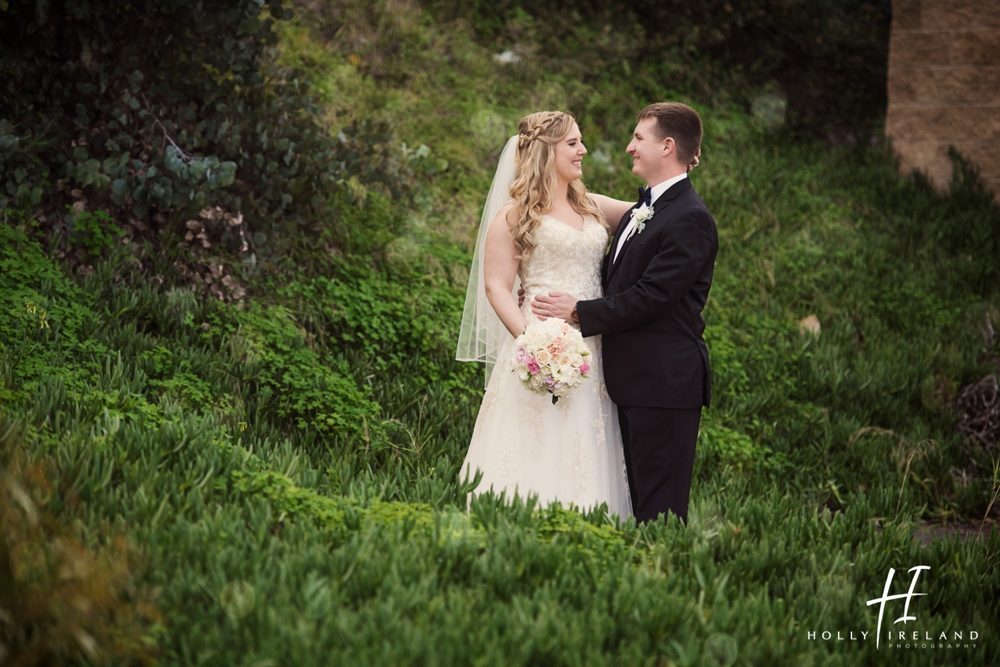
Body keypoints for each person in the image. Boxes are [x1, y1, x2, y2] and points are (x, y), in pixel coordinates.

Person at [532, 102, 718, 524]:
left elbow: (651, 296)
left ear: (667, 146)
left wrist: (578, 311)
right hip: (632, 384)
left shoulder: (691, 219)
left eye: (639, 138)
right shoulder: (643, 211)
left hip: (664, 386)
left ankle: (664, 583)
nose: (629, 146)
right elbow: (607, 256)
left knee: (661, 514)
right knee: (634, 507)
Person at [456, 111, 635, 519]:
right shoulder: (515, 216)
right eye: (573, 143)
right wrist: (530, 343)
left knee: (586, 438)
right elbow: (496, 287)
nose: (583, 150)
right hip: (537, 342)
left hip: (592, 345)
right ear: (546, 150)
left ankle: (586, 525)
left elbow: (654, 213)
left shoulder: (592, 206)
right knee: (534, 436)